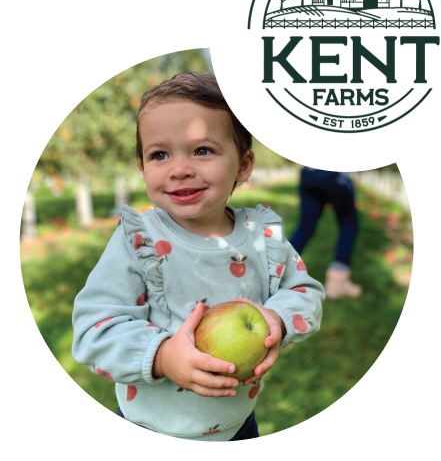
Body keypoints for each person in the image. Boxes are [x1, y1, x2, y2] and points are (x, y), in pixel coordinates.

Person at [72, 72, 325, 441]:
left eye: (202, 150)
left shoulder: (263, 236)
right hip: (151, 424)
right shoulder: (139, 241)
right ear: (143, 168)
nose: (179, 169)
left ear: (243, 164)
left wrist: (278, 319)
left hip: (238, 426)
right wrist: (162, 356)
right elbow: (94, 329)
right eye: (159, 155)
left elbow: (305, 292)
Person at [289, 167, 362, 299]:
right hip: (334, 173)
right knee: (348, 224)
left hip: (309, 173)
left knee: (305, 225)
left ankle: (279, 271)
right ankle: (337, 281)